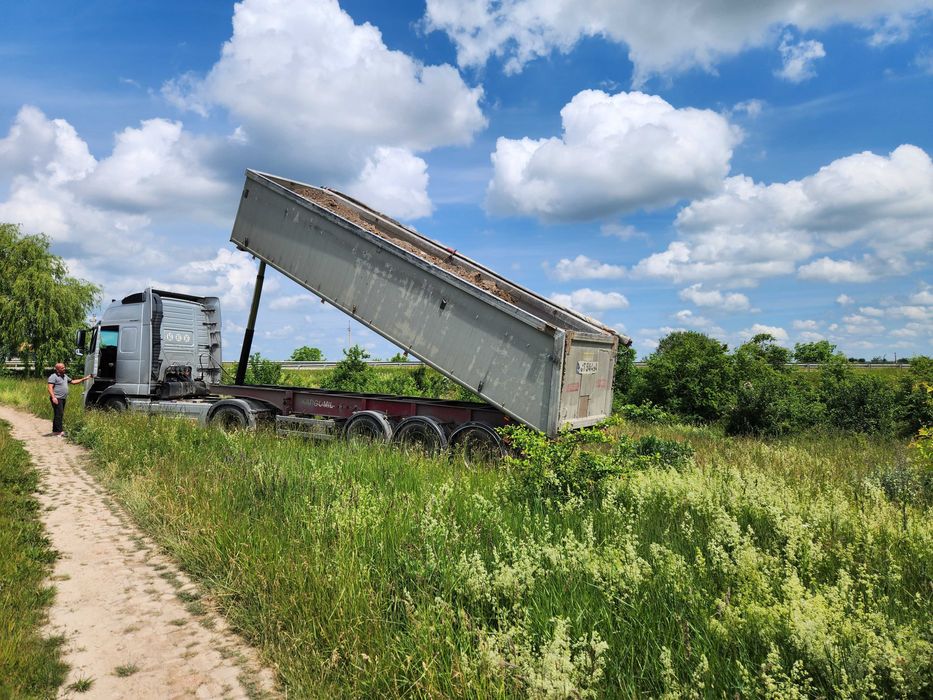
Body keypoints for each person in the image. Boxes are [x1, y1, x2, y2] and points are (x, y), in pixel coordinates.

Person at [47, 363, 92, 437]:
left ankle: (55, 431)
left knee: (58, 414)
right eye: (62, 368)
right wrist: (53, 397)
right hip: (57, 398)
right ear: (57, 369)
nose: (64, 369)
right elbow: (50, 387)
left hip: (62, 398)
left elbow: (73, 382)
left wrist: (84, 379)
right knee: (59, 414)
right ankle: (59, 432)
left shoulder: (64, 376)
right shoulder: (53, 377)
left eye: (64, 367)